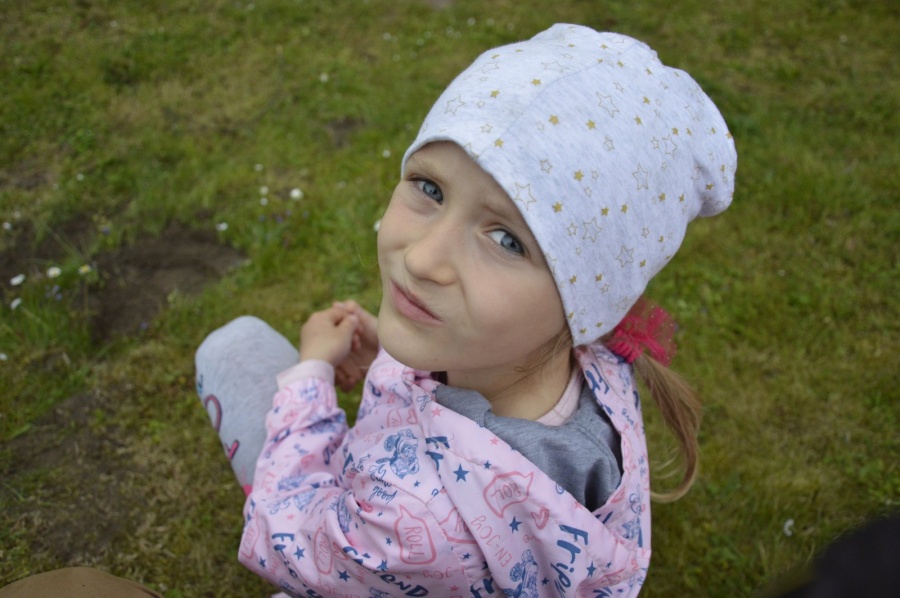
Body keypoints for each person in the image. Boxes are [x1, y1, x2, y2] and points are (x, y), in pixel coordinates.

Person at [195, 23, 736, 596]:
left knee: (232, 349)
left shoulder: (416, 523)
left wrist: (309, 380)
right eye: (430, 189)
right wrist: (393, 357)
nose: (423, 258)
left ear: (583, 302)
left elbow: (287, 537)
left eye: (506, 240)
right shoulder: (590, 363)